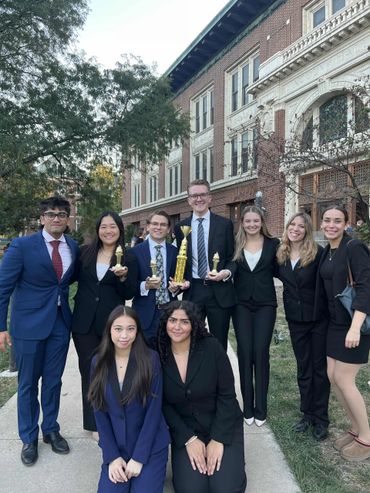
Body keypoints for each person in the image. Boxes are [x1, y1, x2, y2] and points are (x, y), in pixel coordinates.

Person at [0, 196, 79, 466]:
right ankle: (29, 437)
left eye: (61, 214)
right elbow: (2, 289)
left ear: (68, 219)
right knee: (28, 384)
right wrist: (1, 327)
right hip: (28, 326)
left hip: (59, 324)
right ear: (41, 218)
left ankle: (51, 429)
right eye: (50, 213)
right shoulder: (22, 246)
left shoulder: (73, 246)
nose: (56, 218)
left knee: (54, 381)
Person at [158, 300, 246, 493]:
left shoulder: (212, 348)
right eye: (172, 320)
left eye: (184, 321)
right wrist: (188, 438)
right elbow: (162, 404)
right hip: (186, 430)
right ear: (165, 323)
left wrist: (218, 438)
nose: (177, 327)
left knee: (225, 487)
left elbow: (227, 395)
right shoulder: (158, 353)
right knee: (192, 489)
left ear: (193, 325)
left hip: (221, 423)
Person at [89, 305, 170, 492]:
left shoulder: (151, 360)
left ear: (137, 331)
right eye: (118, 329)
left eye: (130, 329)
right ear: (109, 330)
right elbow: (99, 412)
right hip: (117, 447)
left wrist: (139, 457)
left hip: (149, 447)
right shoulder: (98, 362)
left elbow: (154, 412)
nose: (124, 335)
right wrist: (112, 457)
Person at [72, 211, 138, 434]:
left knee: (112, 371)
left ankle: (114, 418)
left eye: (113, 227)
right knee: (88, 371)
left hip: (113, 325)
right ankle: (92, 423)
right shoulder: (84, 253)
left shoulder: (128, 258)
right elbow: (69, 278)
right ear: (98, 230)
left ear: (120, 230)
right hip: (84, 324)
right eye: (104, 227)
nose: (108, 231)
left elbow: (129, 292)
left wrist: (123, 277)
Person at [317, 205, 370, 461]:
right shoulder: (328, 250)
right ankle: (356, 428)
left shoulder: (353, 248)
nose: (331, 225)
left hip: (353, 324)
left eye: (337, 221)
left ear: (346, 223)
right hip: (335, 325)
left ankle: (367, 439)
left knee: (345, 380)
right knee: (333, 377)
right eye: (327, 220)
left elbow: (365, 288)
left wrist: (355, 327)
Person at [276, 212, 330, 440]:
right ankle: (306, 414)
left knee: (319, 369)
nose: (295, 229)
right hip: (295, 320)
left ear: (307, 230)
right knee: (303, 368)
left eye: (300, 226)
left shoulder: (317, 253)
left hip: (318, 319)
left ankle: (321, 418)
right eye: (292, 225)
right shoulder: (281, 254)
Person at [174, 179, 236, 350]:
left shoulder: (224, 225)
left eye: (202, 194)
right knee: (192, 342)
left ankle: (218, 376)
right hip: (193, 291)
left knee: (218, 344)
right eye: (194, 195)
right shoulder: (181, 227)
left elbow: (232, 258)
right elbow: (180, 260)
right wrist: (180, 281)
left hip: (219, 292)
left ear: (210, 198)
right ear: (188, 200)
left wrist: (226, 273)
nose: (198, 199)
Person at [232, 205, 279, 427]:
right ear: (242, 223)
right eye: (248, 221)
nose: (252, 225)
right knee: (244, 352)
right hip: (240, 304)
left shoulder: (273, 244)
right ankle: (247, 407)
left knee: (260, 352)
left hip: (265, 305)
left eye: (256, 221)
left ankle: (261, 409)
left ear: (262, 222)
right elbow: (228, 267)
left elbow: (284, 269)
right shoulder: (235, 244)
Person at [131, 210, 180, 348]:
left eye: (163, 225)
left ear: (168, 229)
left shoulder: (175, 252)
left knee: (169, 357)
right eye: (155, 224)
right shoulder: (135, 252)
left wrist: (176, 288)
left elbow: (179, 279)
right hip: (145, 314)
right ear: (147, 226)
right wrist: (145, 286)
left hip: (170, 312)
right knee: (145, 360)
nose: (158, 227)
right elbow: (128, 286)